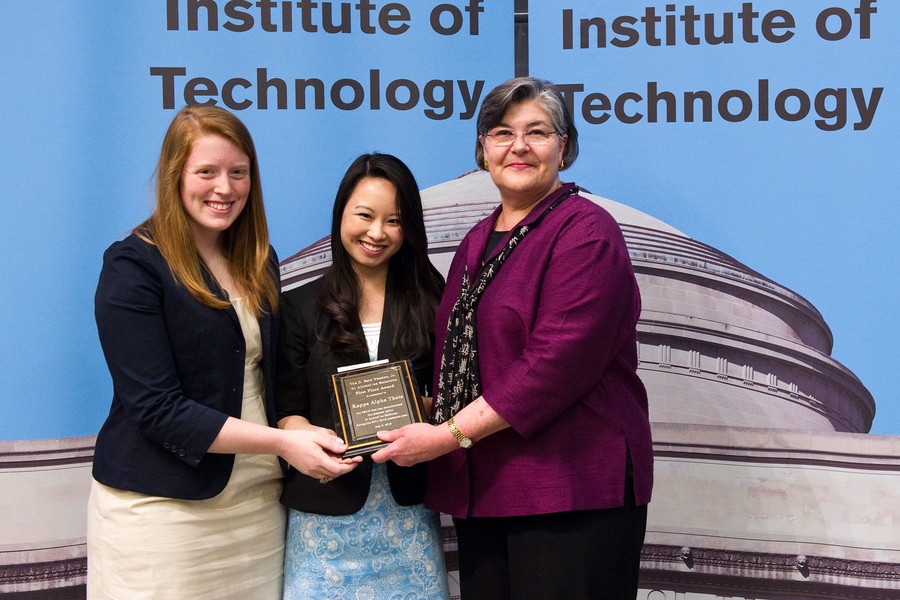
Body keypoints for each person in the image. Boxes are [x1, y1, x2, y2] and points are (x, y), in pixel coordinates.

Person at [372, 77, 654, 599]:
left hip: (569, 490)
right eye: (502, 133)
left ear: (563, 148)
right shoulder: (476, 240)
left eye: (538, 132)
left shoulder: (586, 232)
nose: (518, 146)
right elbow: (466, 356)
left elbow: (553, 364)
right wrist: (422, 409)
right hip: (488, 488)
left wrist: (446, 435)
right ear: (482, 149)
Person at [88, 105, 356, 599]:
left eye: (238, 172)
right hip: (164, 514)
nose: (224, 188)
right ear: (175, 175)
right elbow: (157, 409)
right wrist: (282, 444)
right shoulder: (133, 267)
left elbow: (272, 376)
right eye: (206, 172)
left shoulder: (259, 259)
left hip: (258, 507)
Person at [276, 153, 450, 599]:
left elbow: (450, 398)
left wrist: (421, 414)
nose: (376, 233)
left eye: (393, 221)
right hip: (324, 519)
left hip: (407, 517)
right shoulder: (297, 307)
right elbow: (287, 411)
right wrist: (309, 446)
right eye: (365, 216)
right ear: (341, 216)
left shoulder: (434, 300)